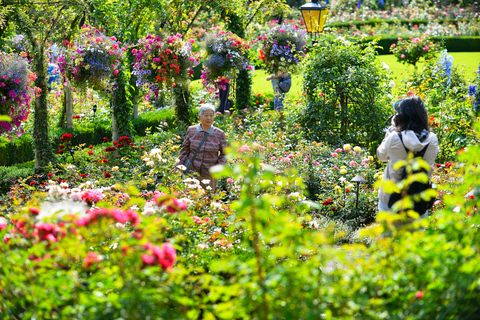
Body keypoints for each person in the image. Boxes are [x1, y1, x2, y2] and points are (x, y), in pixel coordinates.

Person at [376, 95, 439, 218]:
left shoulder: (394, 137)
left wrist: (390, 133)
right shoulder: (432, 139)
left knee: (389, 236)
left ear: (401, 117)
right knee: (416, 236)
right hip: (419, 199)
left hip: (391, 199)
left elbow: (381, 156)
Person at [178, 103, 228, 191]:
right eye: (206, 115)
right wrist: (180, 165)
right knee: (191, 199)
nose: (209, 118)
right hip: (192, 174)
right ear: (199, 117)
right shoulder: (191, 130)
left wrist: (217, 168)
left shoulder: (219, 134)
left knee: (207, 201)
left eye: (211, 115)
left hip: (210, 175)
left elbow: (225, 154)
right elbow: (185, 150)